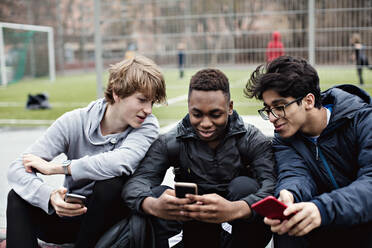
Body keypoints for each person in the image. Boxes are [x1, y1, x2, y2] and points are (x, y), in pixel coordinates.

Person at [6, 55, 166, 248]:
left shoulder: (147, 126)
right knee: (17, 197)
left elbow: (120, 162)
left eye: (152, 102)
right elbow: (17, 168)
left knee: (110, 183)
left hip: (112, 223)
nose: (148, 110)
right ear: (117, 92)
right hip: (72, 215)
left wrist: (58, 168)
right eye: (142, 100)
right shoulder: (74, 121)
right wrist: (49, 196)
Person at [123, 68, 276, 248]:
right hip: (195, 229)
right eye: (197, 114)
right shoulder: (171, 141)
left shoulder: (251, 139)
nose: (205, 123)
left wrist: (237, 208)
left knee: (245, 186)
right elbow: (136, 183)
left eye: (215, 114)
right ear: (189, 107)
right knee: (156, 194)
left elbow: (272, 185)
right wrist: (153, 205)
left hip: (241, 231)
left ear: (230, 108)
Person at [244, 55, 372, 248]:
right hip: (325, 225)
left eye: (279, 107)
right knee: (287, 225)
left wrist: (321, 209)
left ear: (308, 101)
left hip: (363, 223)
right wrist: (289, 194)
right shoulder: (285, 137)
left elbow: (370, 183)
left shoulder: (362, 120)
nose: (271, 117)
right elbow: (295, 173)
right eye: (268, 109)